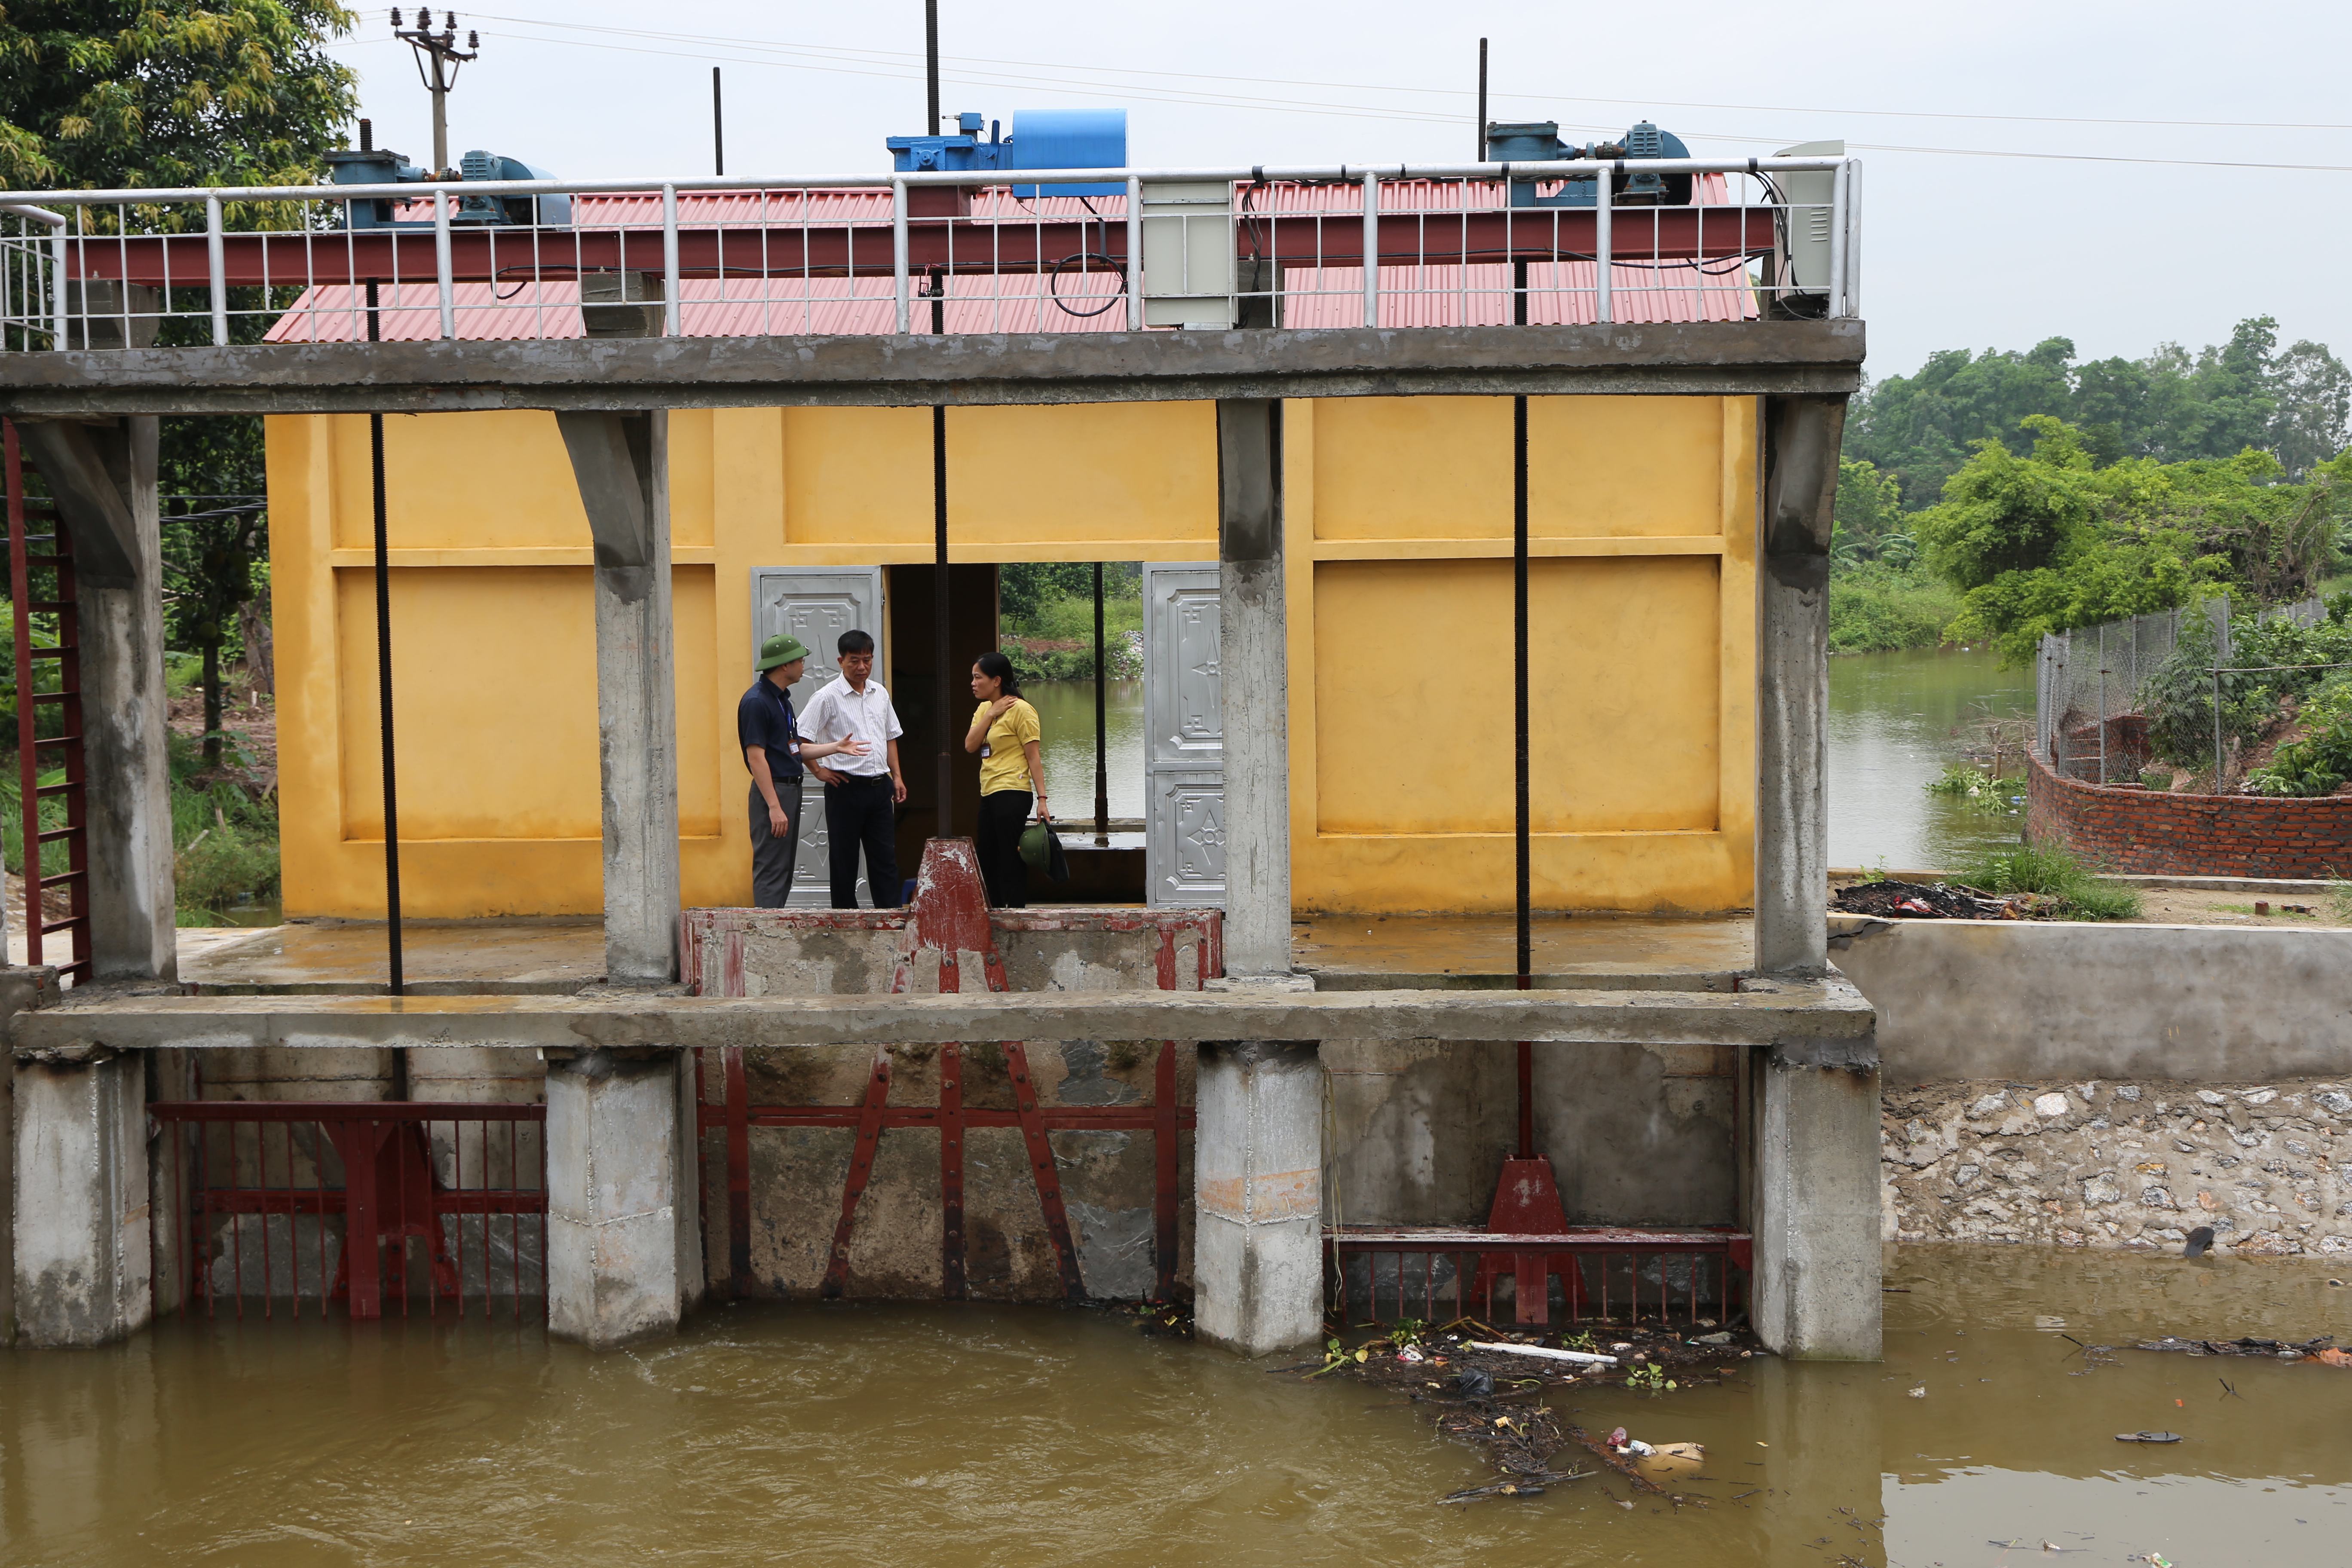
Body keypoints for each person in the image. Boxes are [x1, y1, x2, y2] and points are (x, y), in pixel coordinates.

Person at [737, 633, 867, 908]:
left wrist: (836, 747)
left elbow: (792, 749)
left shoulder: (781, 700)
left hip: (788, 789)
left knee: (783, 867)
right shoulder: (757, 702)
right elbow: (756, 758)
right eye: (800, 660)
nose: (804, 665)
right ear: (785, 665)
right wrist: (774, 806)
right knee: (771, 866)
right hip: (774, 790)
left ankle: (775, 922)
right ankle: (766, 929)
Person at [799, 629, 908, 908]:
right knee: (844, 860)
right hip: (845, 788)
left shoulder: (879, 693)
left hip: (879, 787)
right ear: (841, 661)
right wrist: (819, 771)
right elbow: (800, 741)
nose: (862, 667)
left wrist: (897, 777)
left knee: (885, 859)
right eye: (855, 661)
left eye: (867, 660)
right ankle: (846, 919)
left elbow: (890, 736)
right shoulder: (826, 697)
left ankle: (890, 916)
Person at [964, 650, 1047, 907]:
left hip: (1013, 790)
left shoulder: (1022, 710)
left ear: (997, 680)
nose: (974, 683)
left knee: (1010, 855)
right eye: (973, 678)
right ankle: (995, 910)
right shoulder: (983, 710)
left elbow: (1034, 758)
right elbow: (970, 746)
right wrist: (990, 714)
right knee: (987, 855)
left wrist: (1042, 800)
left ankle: (1016, 911)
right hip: (989, 790)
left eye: (979, 678)